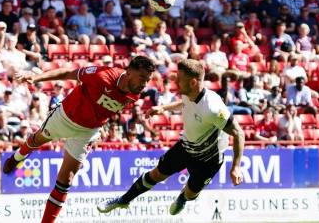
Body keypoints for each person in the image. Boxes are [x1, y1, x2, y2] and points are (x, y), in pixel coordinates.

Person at [2, 56, 155, 223]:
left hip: (87, 132)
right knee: (37, 140)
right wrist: (37, 77)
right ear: (129, 71)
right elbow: (68, 72)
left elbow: (106, 107)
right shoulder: (101, 75)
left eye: (147, 80)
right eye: (142, 78)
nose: (144, 84)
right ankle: (16, 157)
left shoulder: (135, 94)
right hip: (65, 117)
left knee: (66, 181)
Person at [97, 59, 244, 215]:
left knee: (190, 193)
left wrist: (235, 167)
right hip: (186, 146)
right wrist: (163, 108)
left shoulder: (213, 108)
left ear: (193, 82)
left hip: (209, 159)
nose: (176, 82)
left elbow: (238, 133)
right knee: (156, 174)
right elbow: (184, 103)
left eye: (179, 79)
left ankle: (183, 198)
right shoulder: (189, 93)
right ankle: (123, 200)